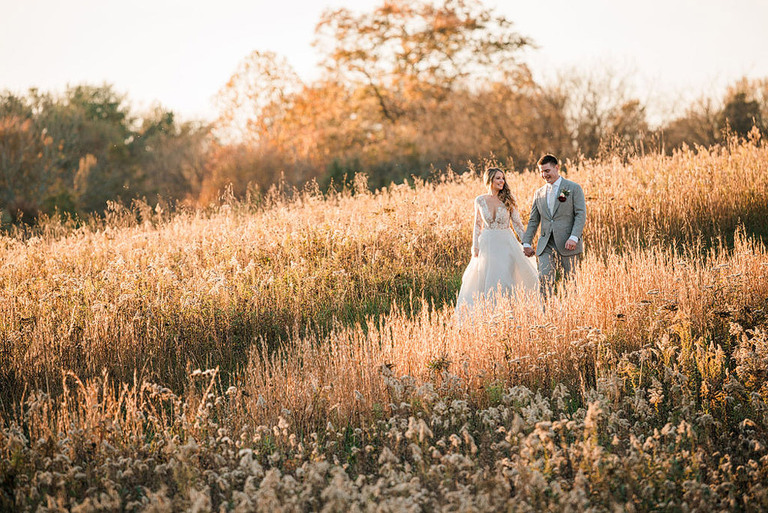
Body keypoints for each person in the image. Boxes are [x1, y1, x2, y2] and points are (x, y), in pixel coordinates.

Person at [455, 167, 539, 315]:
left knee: (504, 277)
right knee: (483, 278)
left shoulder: (509, 200)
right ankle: (487, 314)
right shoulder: (480, 200)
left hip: (505, 244)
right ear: (490, 180)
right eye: (498, 178)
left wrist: (526, 244)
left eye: (503, 178)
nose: (502, 181)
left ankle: (507, 313)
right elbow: (477, 224)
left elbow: (518, 225)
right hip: (486, 244)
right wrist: (474, 246)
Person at [522, 154, 586, 298]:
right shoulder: (538, 193)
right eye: (541, 171)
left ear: (556, 168)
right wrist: (526, 242)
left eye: (547, 171)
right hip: (546, 245)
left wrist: (574, 237)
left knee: (571, 281)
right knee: (544, 279)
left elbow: (580, 214)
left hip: (568, 243)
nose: (544, 175)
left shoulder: (573, 188)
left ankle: (572, 313)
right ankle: (548, 314)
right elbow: (533, 220)